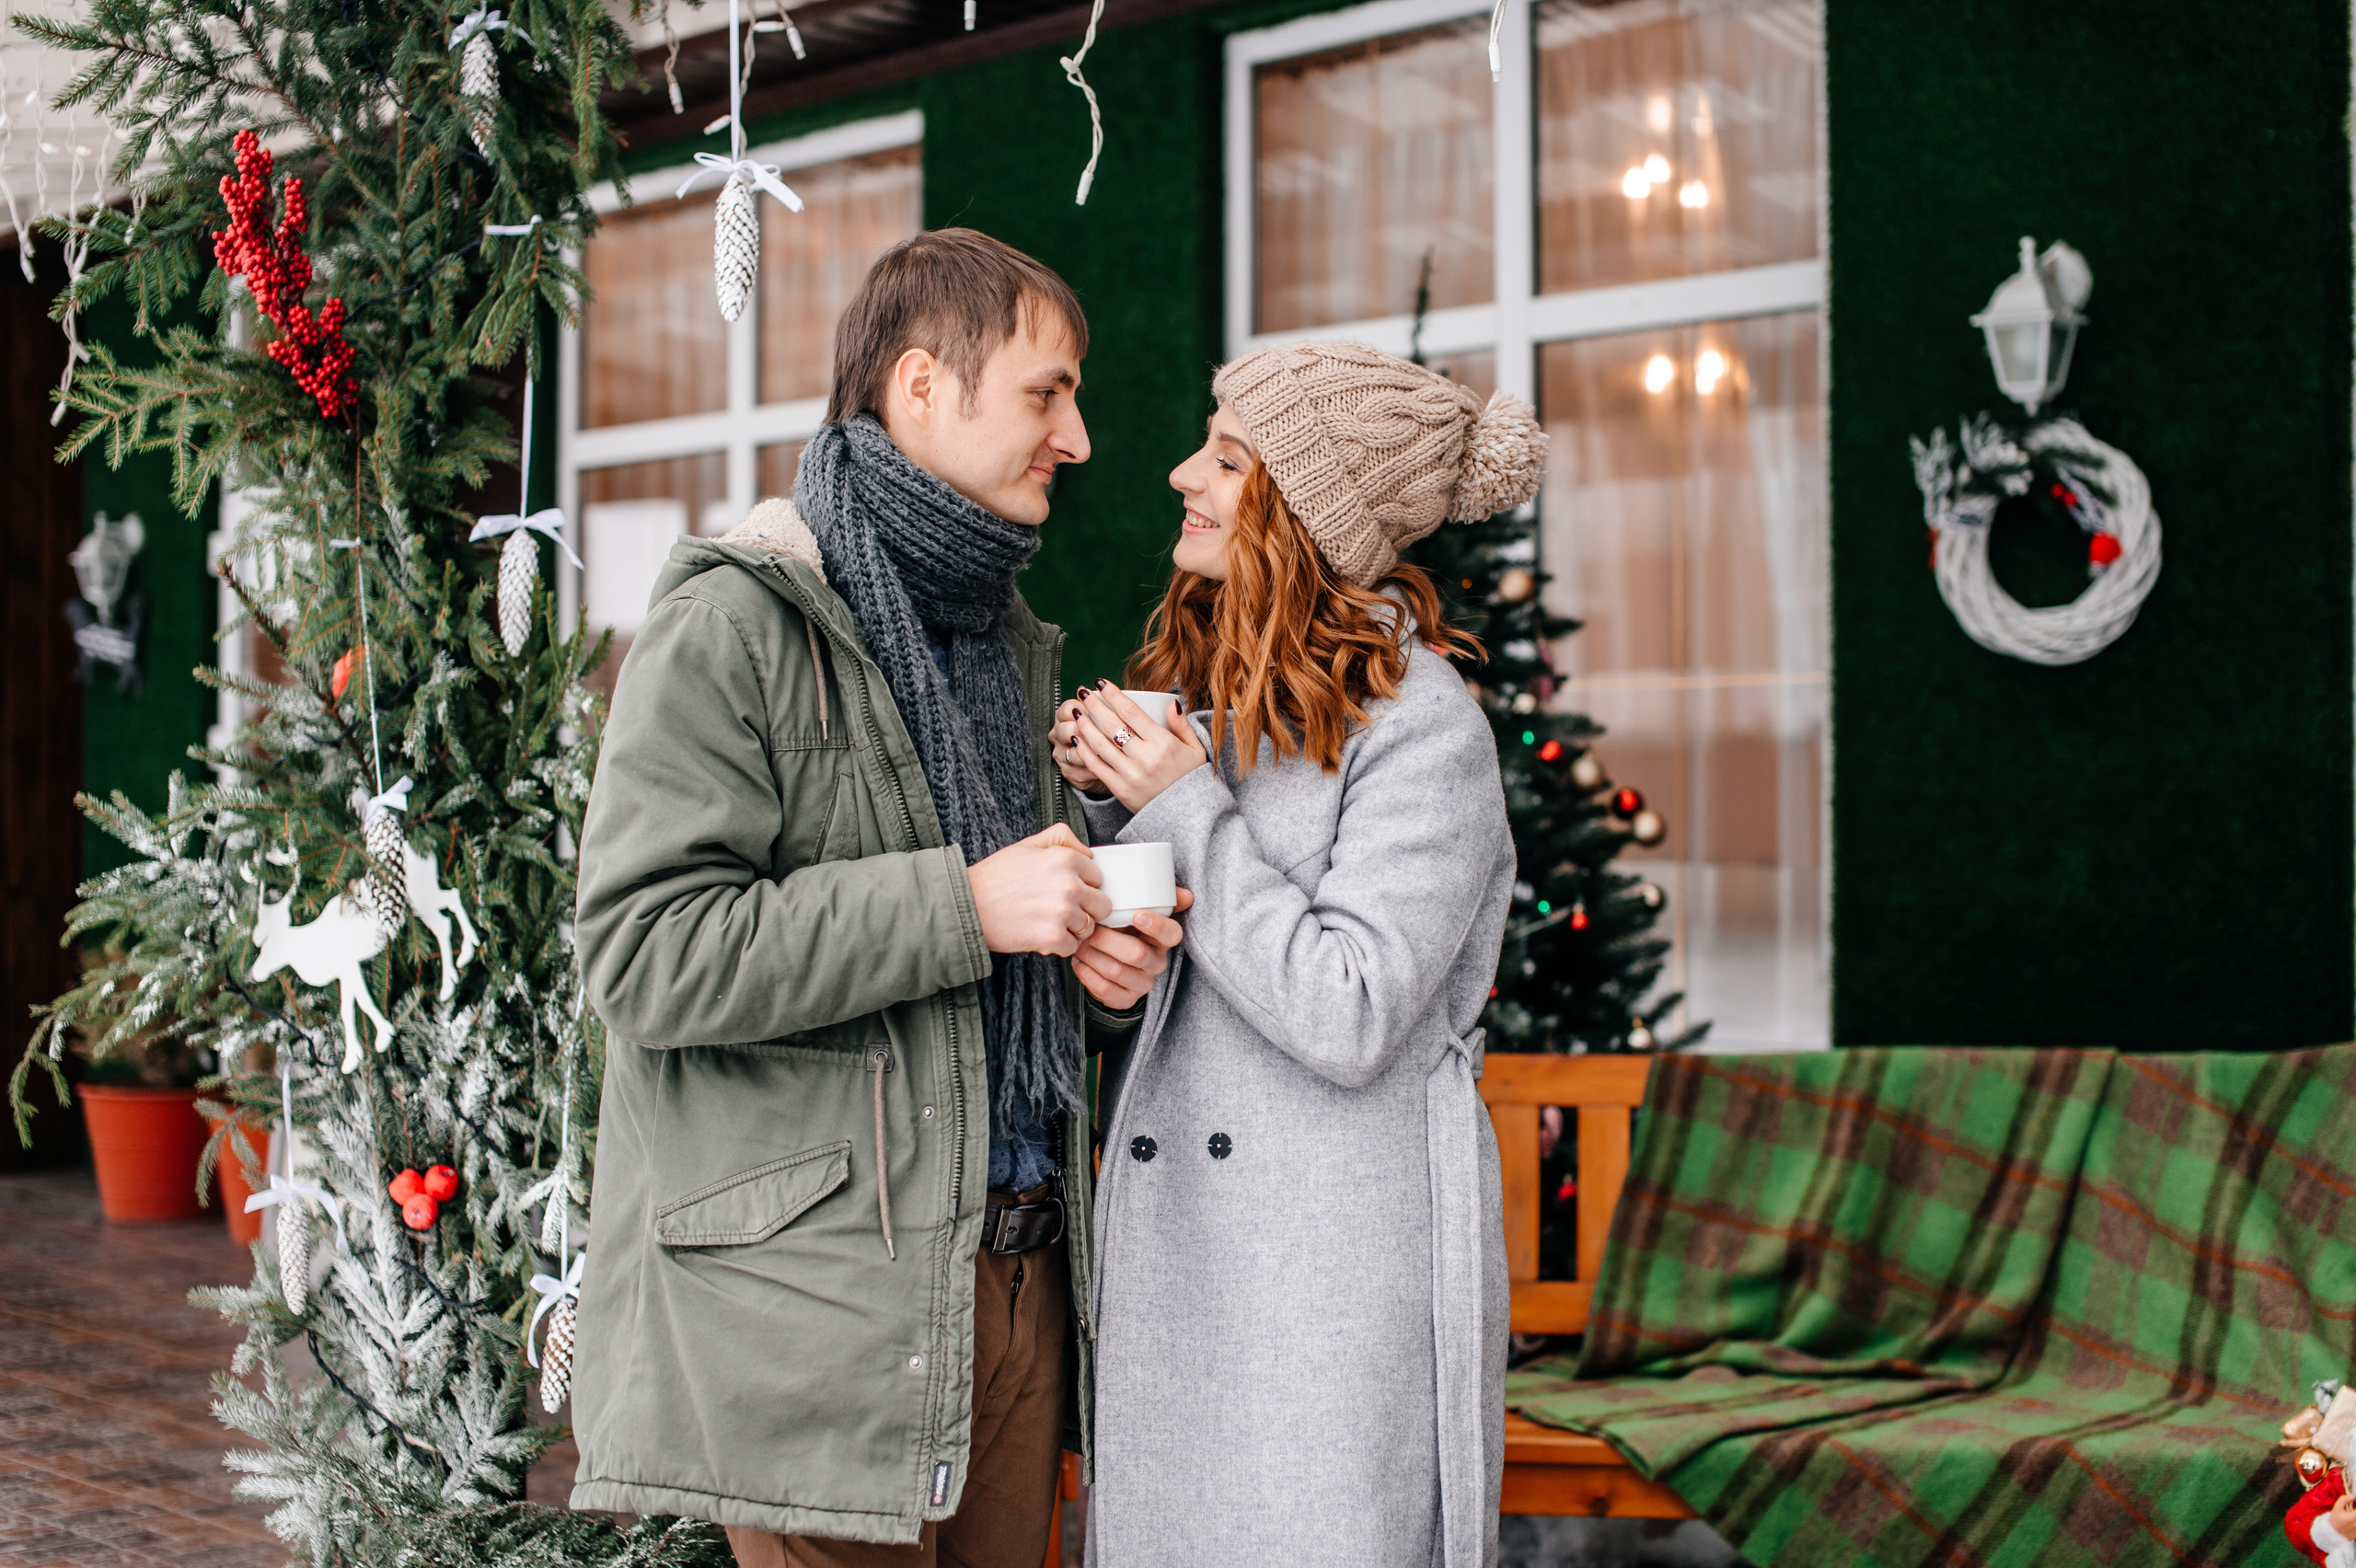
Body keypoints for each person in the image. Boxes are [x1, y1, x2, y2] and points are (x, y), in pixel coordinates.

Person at [569, 228, 1187, 1568]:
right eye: (1047, 394)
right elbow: (645, 952)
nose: (1077, 439)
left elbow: (977, 999)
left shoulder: (1001, 640)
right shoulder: (736, 623)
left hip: (1019, 1282)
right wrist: (965, 908)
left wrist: (1090, 973)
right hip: (824, 1309)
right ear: (921, 388)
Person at [1052, 341, 1542, 1568]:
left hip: (1331, 1286)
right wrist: (1112, 829)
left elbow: (1350, 1006)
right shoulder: (1227, 714)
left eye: (1225, 458)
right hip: (1192, 1270)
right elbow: (1182, 978)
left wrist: (1177, 804)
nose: (1180, 474)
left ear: (1304, 510)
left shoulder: (1428, 729)